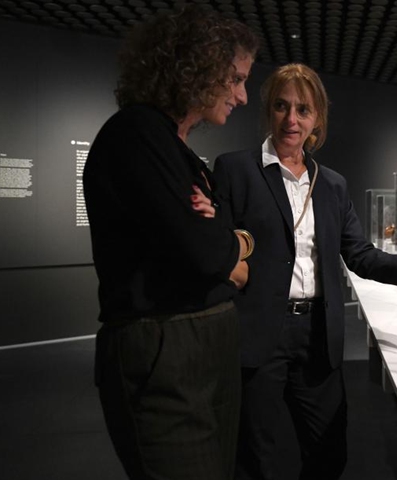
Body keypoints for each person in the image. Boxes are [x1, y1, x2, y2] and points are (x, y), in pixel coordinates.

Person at [212, 63, 397, 480]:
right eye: (281, 106)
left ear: (317, 119)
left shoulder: (330, 184)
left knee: (329, 452)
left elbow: (360, 253)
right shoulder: (235, 170)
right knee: (257, 455)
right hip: (259, 334)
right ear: (267, 111)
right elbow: (220, 250)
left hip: (318, 336)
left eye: (303, 109)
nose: (291, 119)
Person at [82, 6, 258, 480]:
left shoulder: (174, 147)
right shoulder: (136, 135)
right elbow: (204, 254)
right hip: (165, 351)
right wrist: (231, 244)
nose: (242, 96)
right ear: (198, 68)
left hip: (199, 349)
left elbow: (225, 241)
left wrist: (228, 239)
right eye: (235, 79)